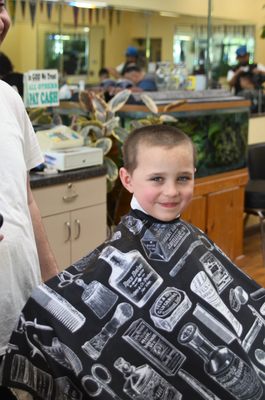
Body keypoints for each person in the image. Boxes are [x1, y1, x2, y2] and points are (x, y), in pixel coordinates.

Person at [2, 124, 265, 399]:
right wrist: (42, 307)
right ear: (127, 180)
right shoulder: (123, 248)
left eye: (183, 178)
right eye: (157, 179)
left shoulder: (192, 238)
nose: (172, 191)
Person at [0, 4, 58, 399]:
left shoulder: (9, 98)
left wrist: (55, 286)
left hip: (18, 310)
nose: (1, 18)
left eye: (2, 5)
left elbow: (28, 202)